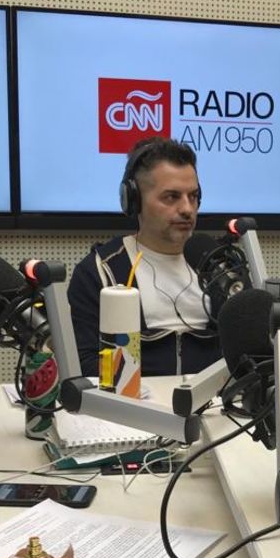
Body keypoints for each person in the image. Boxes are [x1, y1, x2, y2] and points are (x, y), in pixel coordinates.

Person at [68, 136, 222, 377]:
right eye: (171, 197)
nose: (187, 209)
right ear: (134, 200)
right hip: (132, 410)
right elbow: (85, 367)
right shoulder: (100, 271)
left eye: (193, 196)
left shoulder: (218, 268)